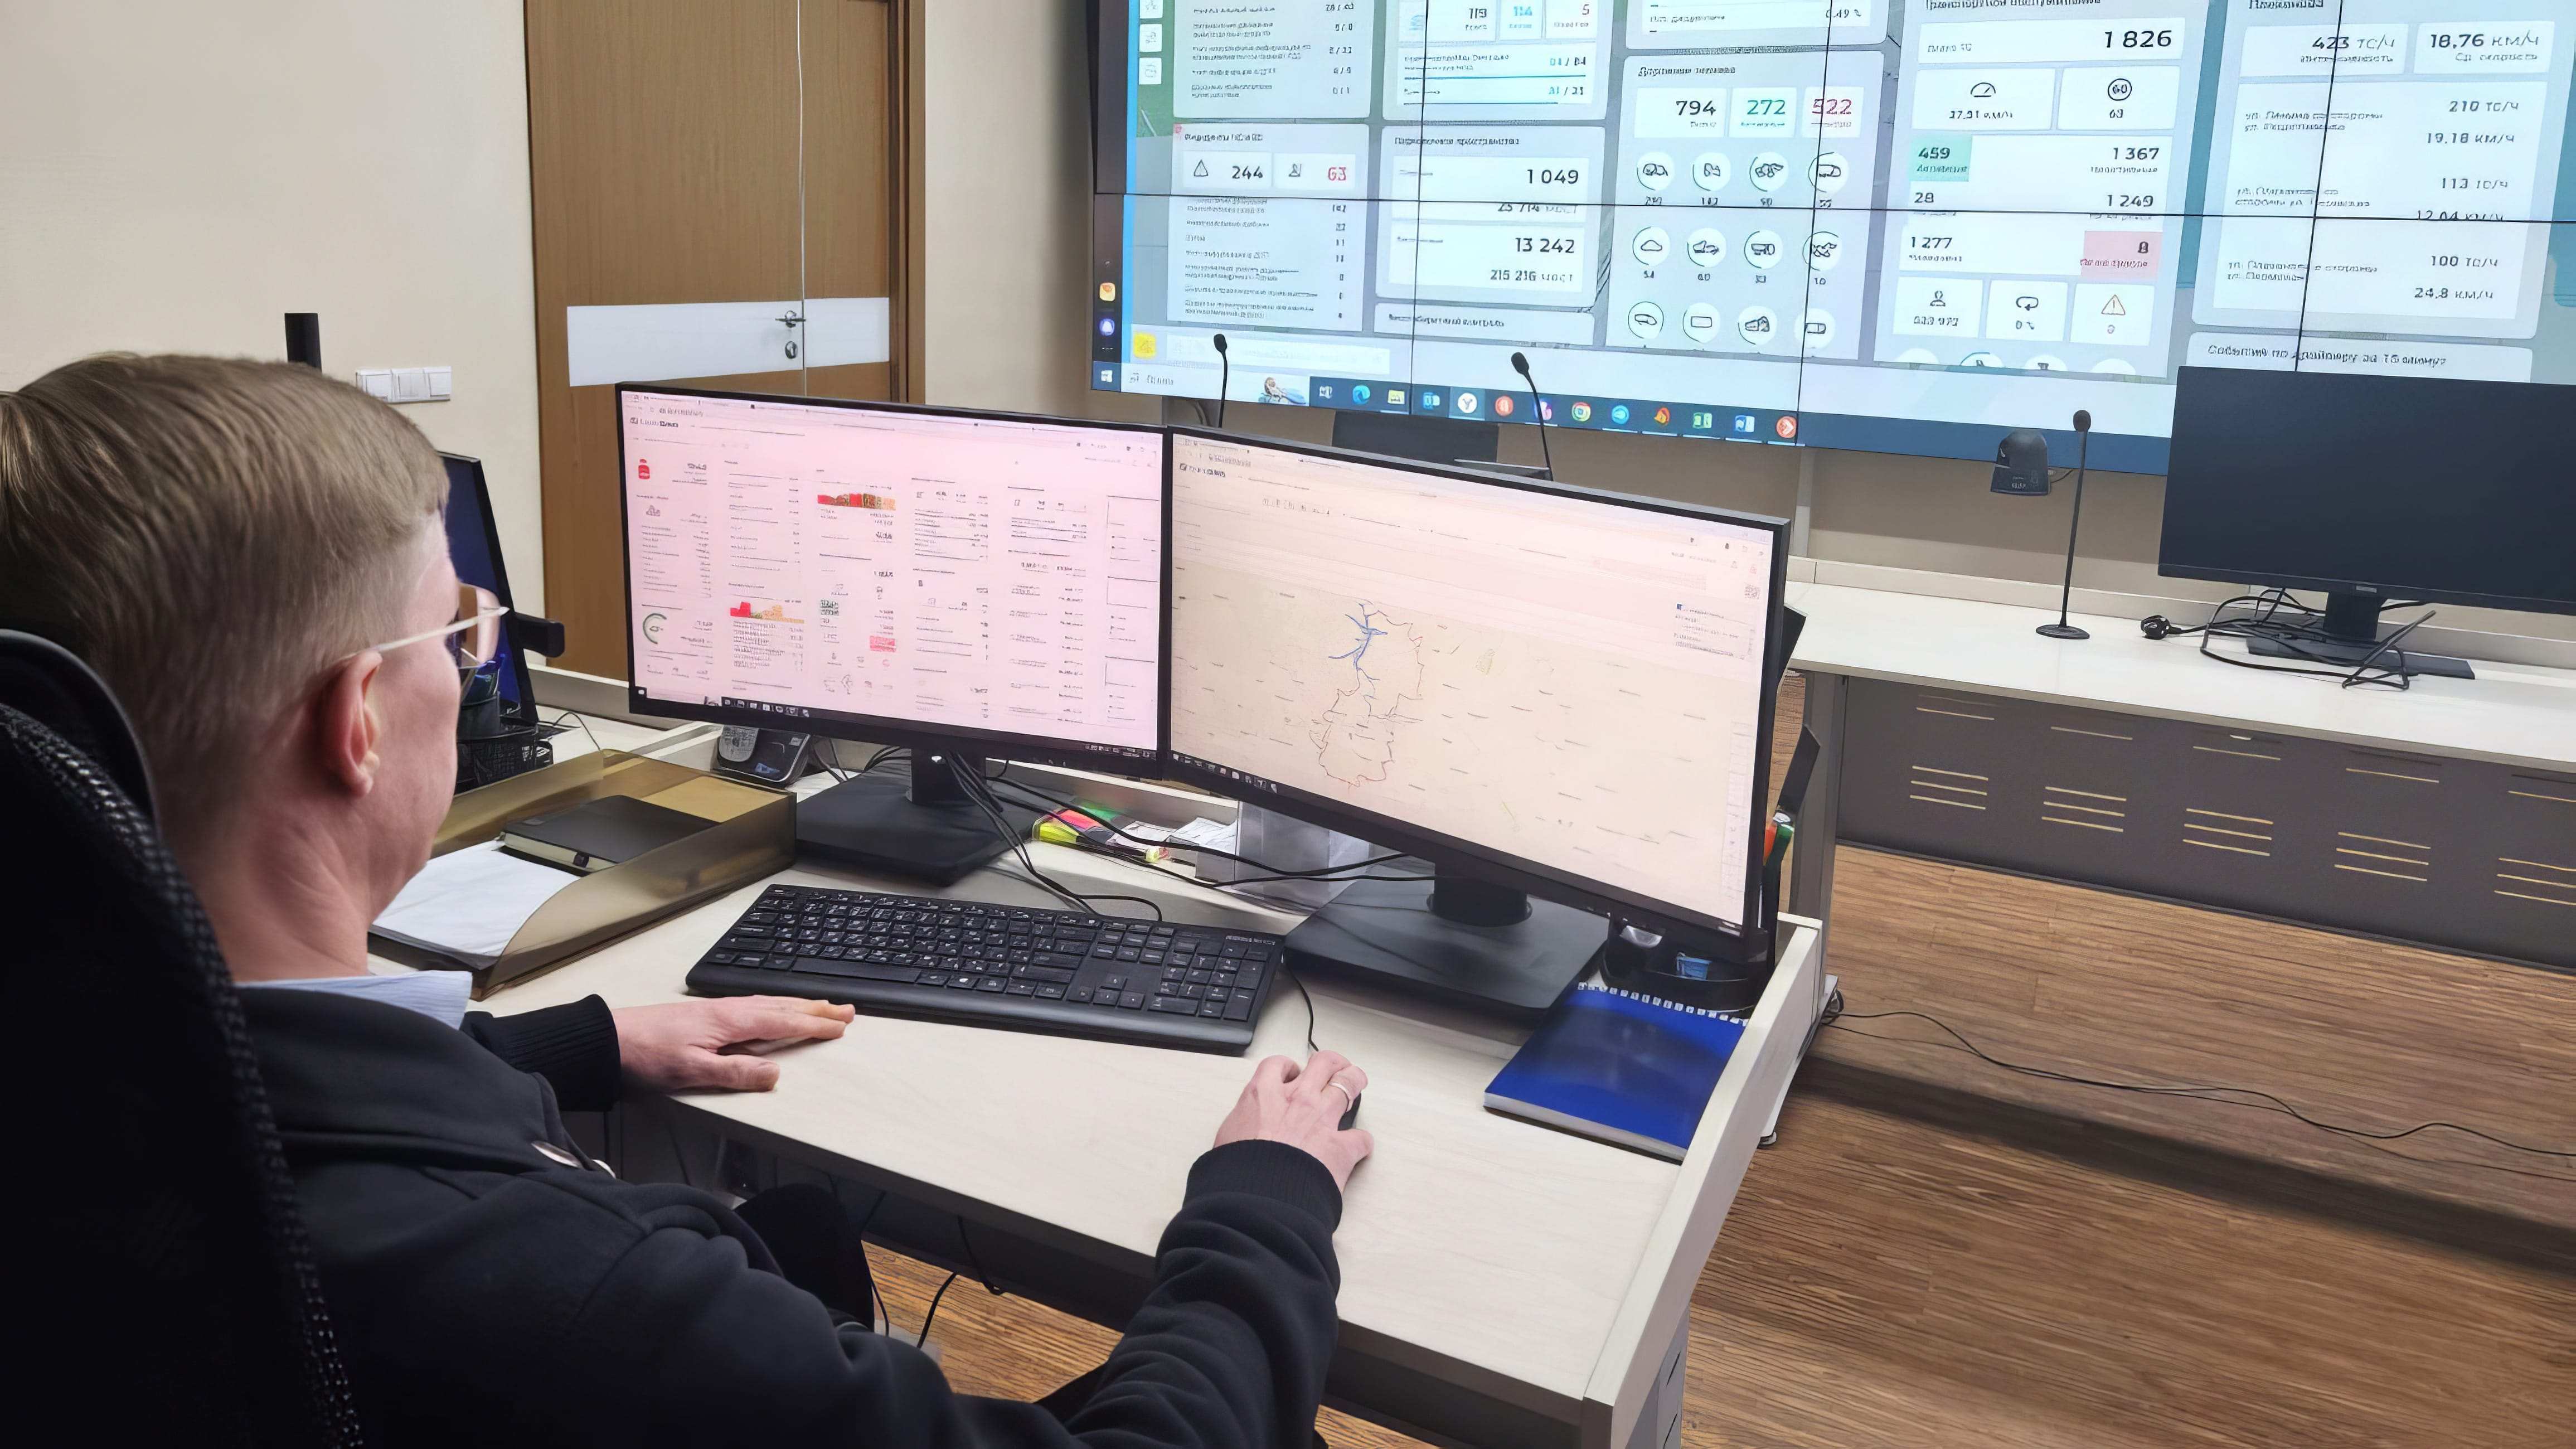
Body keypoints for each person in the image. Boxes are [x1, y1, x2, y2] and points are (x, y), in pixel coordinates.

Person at [0, 353, 1375, 1446]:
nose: (473, 663)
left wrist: (578, 1041)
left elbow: (253, 1084)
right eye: (459, 629)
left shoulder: (73, 1069)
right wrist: (1263, 1200)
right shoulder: (577, 1293)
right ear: (356, 721)